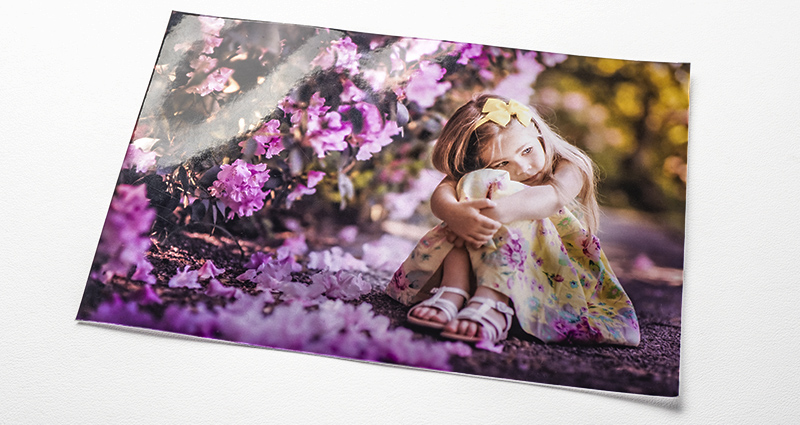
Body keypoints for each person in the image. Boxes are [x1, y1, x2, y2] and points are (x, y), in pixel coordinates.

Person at [386, 94, 640, 346]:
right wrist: (458, 216)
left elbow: (548, 198)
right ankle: (455, 289)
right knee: (474, 182)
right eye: (504, 162)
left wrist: (487, 216)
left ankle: (494, 300)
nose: (523, 168)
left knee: (516, 198)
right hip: (481, 262)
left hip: (553, 276)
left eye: (527, 150)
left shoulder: (570, 166)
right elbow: (443, 194)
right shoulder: (483, 177)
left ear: (538, 134)